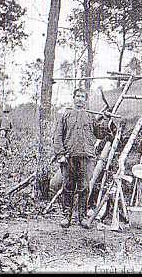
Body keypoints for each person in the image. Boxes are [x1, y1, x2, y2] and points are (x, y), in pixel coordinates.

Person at [53, 87, 108, 228]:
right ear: (73, 98)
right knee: (68, 187)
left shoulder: (90, 116)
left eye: (82, 97)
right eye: (77, 96)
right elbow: (58, 136)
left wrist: (106, 121)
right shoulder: (65, 115)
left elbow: (99, 134)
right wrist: (60, 154)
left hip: (87, 157)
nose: (79, 99)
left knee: (84, 188)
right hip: (69, 156)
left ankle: (82, 217)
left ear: (86, 100)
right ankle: (66, 217)